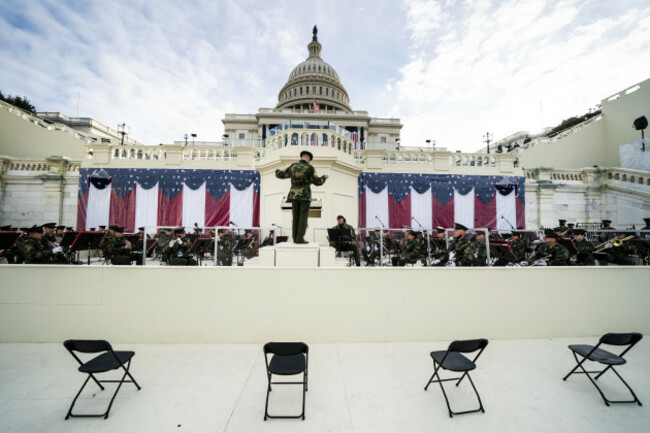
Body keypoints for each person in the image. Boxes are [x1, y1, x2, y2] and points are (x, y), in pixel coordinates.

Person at [275, 150, 328, 243]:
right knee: (303, 217)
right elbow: (318, 182)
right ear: (308, 159)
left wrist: (277, 171)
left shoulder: (293, 167)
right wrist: (324, 177)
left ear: (301, 157)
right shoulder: (310, 168)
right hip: (305, 196)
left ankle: (295, 238)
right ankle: (300, 238)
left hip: (294, 196)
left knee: (295, 217)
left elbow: (281, 175)